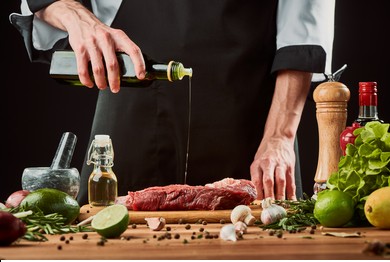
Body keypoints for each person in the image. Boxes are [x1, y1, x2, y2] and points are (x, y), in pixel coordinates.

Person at [10, 0, 336, 205]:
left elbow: (303, 32)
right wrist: (79, 19)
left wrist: (279, 137)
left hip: (249, 116)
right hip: (131, 99)